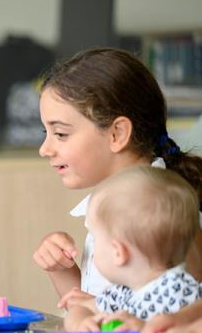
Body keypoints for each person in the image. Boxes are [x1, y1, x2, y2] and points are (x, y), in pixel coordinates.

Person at [32, 48, 202, 310]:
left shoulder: (157, 210)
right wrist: (61, 269)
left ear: (117, 134)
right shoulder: (118, 202)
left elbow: (183, 320)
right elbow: (99, 308)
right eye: (47, 132)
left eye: (61, 134)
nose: (45, 149)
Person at [64, 166, 202, 332]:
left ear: (118, 252)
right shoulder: (125, 291)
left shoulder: (181, 292)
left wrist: (143, 330)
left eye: (96, 238)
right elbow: (80, 308)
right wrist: (82, 323)